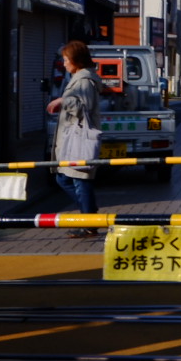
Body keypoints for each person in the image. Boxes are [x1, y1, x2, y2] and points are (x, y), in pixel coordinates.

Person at [46, 40, 103, 235]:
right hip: (74, 138)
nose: (64, 63)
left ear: (76, 60)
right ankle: (90, 216)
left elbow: (83, 108)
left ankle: (89, 221)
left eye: (66, 59)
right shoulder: (79, 78)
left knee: (78, 181)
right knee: (69, 179)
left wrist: (63, 100)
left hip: (79, 139)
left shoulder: (84, 81)